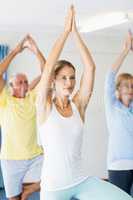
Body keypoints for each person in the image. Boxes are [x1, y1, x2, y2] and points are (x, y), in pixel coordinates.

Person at [36, 6, 132, 200]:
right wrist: (65, 33)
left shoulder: (77, 105)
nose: (69, 83)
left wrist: (75, 33)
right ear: (53, 80)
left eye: (72, 78)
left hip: (81, 181)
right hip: (54, 188)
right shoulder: (44, 106)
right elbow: (47, 69)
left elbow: (90, 67)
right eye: (63, 78)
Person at [0, 35, 45, 200]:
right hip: (10, 159)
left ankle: (28, 191)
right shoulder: (4, 100)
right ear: (10, 86)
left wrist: (36, 51)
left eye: (26, 82)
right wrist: (15, 52)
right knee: (14, 198)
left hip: (34, 156)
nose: (24, 85)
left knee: (52, 173)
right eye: (20, 82)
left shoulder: (32, 97)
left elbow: (47, 73)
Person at [105, 31, 133, 196]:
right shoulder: (112, 105)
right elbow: (110, 76)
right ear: (118, 89)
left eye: (132, 86)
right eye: (126, 85)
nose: (130, 89)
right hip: (118, 165)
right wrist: (125, 50)